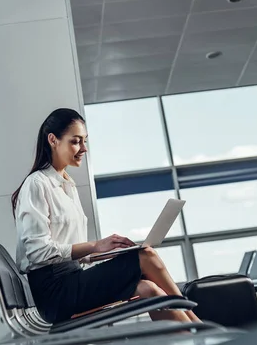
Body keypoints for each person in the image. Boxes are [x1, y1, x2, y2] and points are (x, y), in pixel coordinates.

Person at [12, 108, 200, 324]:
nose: (83, 148)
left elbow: (70, 251)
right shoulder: (37, 184)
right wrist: (94, 246)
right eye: (76, 141)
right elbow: (37, 253)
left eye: (85, 141)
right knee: (145, 256)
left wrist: (106, 252)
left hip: (72, 279)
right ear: (53, 140)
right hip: (55, 294)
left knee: (148, 288)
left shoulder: (68, 185)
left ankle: (192, 341)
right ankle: (198, 323)